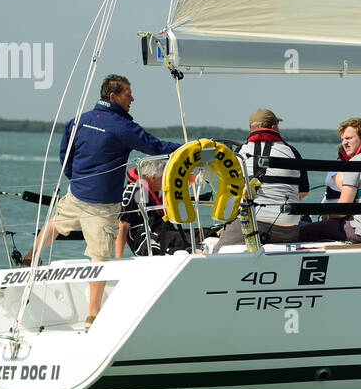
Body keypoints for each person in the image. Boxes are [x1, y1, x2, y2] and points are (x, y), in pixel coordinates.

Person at [31, 74, 181, 327]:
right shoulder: (123, 127)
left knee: (56, 223)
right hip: (101, 203)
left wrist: (76, 179)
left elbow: (65, 155)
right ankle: (92, 314)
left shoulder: (78, 120)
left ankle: (30, 257)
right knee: (100, 257)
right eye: (127, 94)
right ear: (113, 96)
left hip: (77, 191)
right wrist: (190, 147)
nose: (132, 98)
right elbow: (155, 147)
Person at [214, 108, 309, 246]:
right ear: (274, 127)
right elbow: (303, 192)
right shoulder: (292, 152)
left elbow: (231, 190)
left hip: (249, 224)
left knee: (218, 253)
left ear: (251, 129)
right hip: (287, 228)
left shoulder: (240, 153)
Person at [297, 117, 361, 243]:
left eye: (349, 138)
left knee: (306, 230)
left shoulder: (356, 162)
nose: (344, 143)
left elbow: (342, 209)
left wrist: (328, 215)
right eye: (343, 139)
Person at [115, 155, 190, 257]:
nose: (165, 181)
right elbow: (123, 227)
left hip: (164, 232)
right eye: (163, 177)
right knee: (183, 240)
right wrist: (118, 259)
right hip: (146, 240)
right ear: (153, 177)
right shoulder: (136, 193)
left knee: (202, 233)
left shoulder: (154, 192)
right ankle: (200, 250)